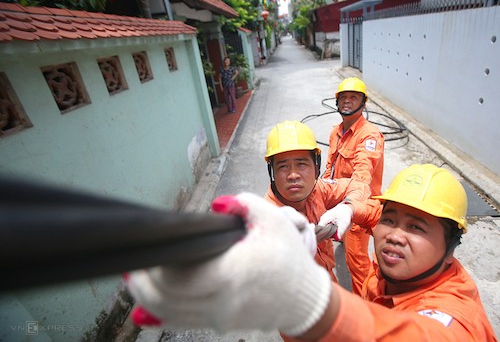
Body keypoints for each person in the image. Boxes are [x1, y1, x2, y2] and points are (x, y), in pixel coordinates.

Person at [126, 164, 497, 341]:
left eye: (416, 227)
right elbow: (370, 211)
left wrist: (308, 301)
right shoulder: (390, 273)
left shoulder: (455, 315)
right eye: (391, 220)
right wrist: (349, 213)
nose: (394, 236)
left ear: (451, 249)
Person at [263, 120, 381, 283]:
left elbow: (358, 185)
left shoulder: (317, 189)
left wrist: (349, 207)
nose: (293, 175)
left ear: (316, 167)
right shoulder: (267, 219)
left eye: (301, 164)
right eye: (283, 166)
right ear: (272, 172)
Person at [322, 76, 385, 295]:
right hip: (339, 204)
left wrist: (350, 206)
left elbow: (362, 174)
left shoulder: (369, 135)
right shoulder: (335, 132)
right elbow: (330, 167)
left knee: (357, 264)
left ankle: (367, 310)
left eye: (353, 97)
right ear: (337, 102)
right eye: (343, 97)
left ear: (363, 103)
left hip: (358, 208)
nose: (347, 101)